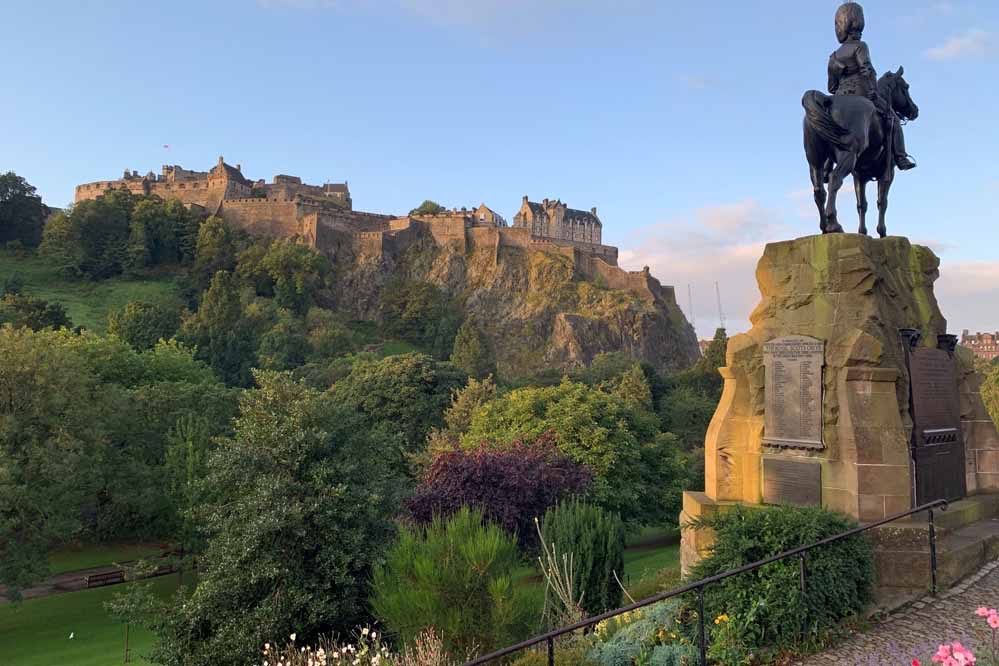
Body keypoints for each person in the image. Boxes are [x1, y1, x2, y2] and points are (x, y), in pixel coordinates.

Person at [827, 2, 916, 170]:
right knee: (893, 119)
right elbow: (867, 69)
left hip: (840, 96)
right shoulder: (860, 46)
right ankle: (901, 157)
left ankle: (826, 165)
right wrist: (873, 91)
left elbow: (831, 87)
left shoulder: (833, 57)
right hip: (862, 94)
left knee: (828, 125)